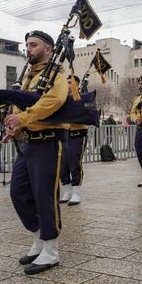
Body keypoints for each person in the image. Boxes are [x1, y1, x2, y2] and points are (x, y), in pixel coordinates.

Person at [6, 30, 68, 274]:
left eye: (33, 45)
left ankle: (51, 251)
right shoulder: (29, 76)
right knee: (19, 193)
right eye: (27, 45)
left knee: (45, 195)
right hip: (27, 143)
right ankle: (39, 237)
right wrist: (13, 125)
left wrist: (23, 118)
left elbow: (53, 101)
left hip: (48, 141)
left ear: (48, 49)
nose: (28, 49)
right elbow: (20, 102)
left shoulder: (57, 74)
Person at [60, 75, 87, 206]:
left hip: (77, 134)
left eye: (71, 82)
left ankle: (76, 191)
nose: (68, 84)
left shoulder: (81, 98)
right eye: (67, 82)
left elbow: (86, 114)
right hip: (63, 135)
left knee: (74, 162)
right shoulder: (61, 97)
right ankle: (67, 189)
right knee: (62, 163)